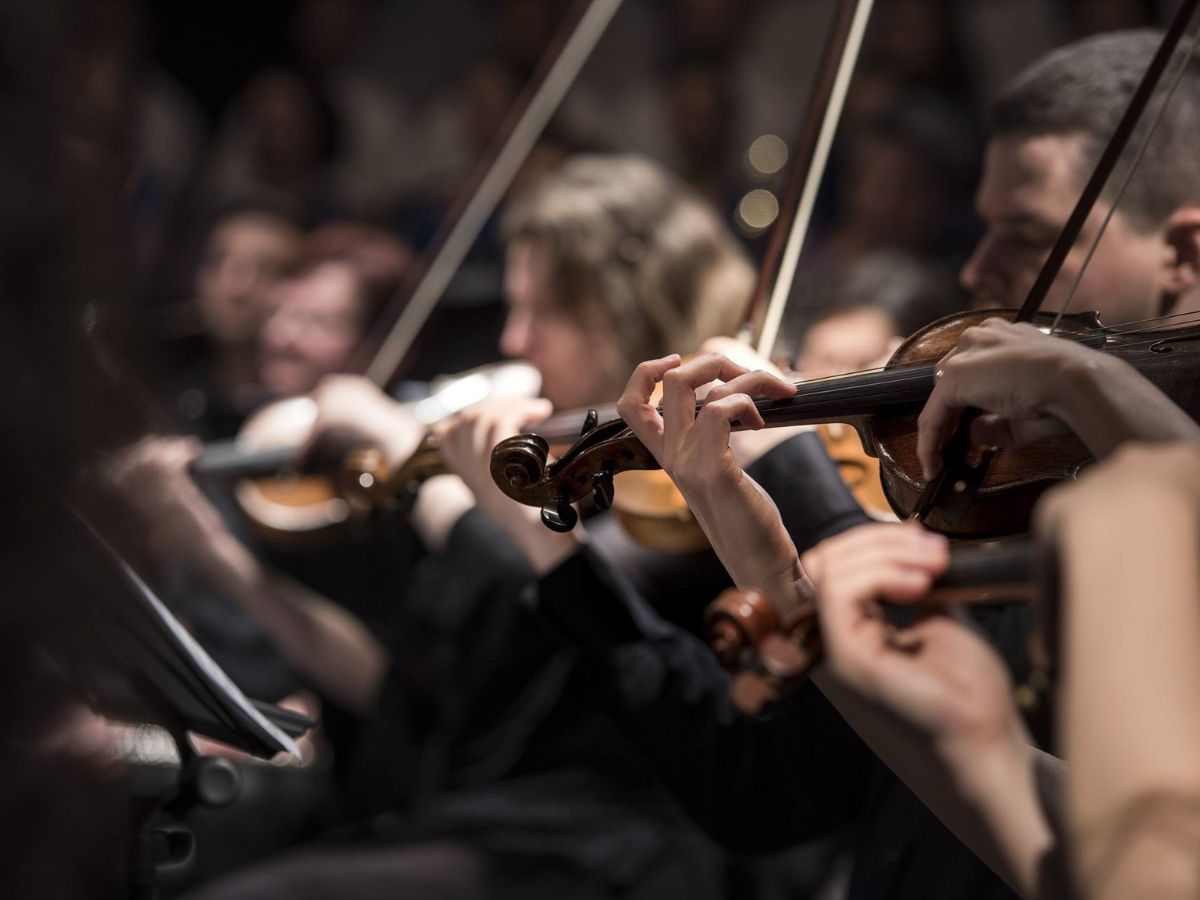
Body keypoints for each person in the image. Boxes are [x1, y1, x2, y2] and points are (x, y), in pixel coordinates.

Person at [461, 27, 1200, 900]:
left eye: (1028, 236)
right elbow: (847, 778)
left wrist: (1092, 387)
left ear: (1186, 254)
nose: (977, 268)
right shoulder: (1022, 476)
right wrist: (773, 566)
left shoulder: (1120, 506)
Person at [119, 154, 851, 900]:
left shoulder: (693, 482)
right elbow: (409, 690)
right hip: (484, 819)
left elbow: (560, 588)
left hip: (627, 845)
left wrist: (426, 470)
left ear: (626, 309)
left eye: (542, 311)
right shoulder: (571, 460)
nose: (513, 340)